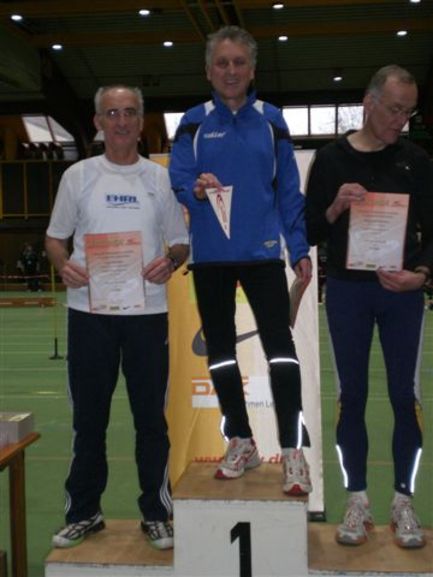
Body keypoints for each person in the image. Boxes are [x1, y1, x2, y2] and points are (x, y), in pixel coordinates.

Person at [169, 26, 312, 496]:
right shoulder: (193, 122)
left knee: (281, 350)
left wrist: (299, 249)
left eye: (239, 63)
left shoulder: (272, 120)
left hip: (262, 255)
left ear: (252, 70)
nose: (230, 71)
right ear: (208, 70)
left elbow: (288, 191)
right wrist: (194, 188)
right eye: (222, 63)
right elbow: (179, 176)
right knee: (221, 355)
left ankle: (292, 450)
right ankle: (242, 440)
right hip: (210, 258)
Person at [45, 85, 189, 550]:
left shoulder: (159, 179)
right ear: (98, 122)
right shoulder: (78, 176)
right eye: (112, 113)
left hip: (147, 314)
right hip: (89, 315)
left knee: (151, 420)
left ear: (141, 121)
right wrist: (62, 264)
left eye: (129, 113)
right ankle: (84, 512)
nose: (121, 121)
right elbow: (55, 239)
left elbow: (181, 241)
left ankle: (156, 513)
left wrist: (171, 261)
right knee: (89, 420)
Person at [305, 65, 433, 548]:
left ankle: (403, 500)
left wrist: (421, 275)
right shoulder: (330, 159)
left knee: (405, 396)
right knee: (351, 395)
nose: (401, 120)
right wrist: (336, 207)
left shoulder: (417, 160)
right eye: (394, 109)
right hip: (347, 292)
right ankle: (356, 499)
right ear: (369, 102)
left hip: (402, 294)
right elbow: (310, 229)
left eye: (408, 112)